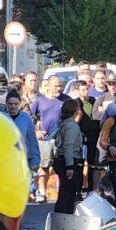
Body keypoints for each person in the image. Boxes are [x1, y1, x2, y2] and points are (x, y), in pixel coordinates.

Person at [30, 75, 68, 203]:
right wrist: (36, 131)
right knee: (44, 167)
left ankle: (63, 193)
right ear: (49, 85)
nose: (59, 88)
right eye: (56, 86)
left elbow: (76, 114)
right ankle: (42, 192)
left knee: (61, 168)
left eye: (60, 86)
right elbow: (30, 116)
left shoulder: (66, 100)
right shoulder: (39, 100)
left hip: (61, 140)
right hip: (45, 140)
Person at [4, 90, 41, 191]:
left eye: (16, 104)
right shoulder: (2, 117)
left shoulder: (26, 118)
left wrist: (35, 160)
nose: (13, 106)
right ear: (6, 103)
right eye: (10, 104)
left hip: (23, 158)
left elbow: (32, 140)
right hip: (7, 159)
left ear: (20, 103)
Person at [53, 98, 84, 214]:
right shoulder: (72, 126)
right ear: (76, 111)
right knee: (67, 193)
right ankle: (64, 216)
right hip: (68, 161)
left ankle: (63, 215)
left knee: (65, 191)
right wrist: (70, 166)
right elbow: (68, 147)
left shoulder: (63, 124)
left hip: (61, 159)